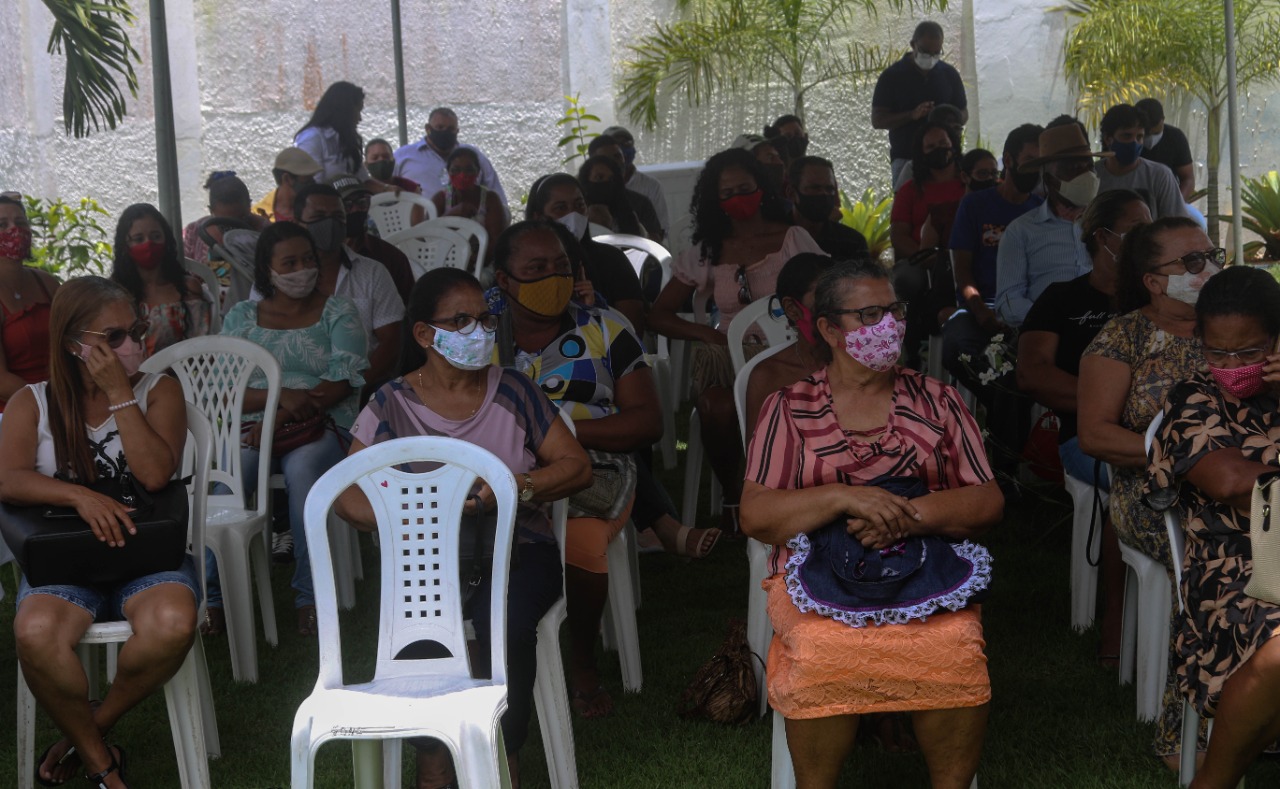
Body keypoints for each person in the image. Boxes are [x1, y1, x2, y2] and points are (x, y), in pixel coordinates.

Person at [741, 260, 1002, 789]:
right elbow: (757, 513)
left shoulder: (940, 401)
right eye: (870, 314)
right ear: (830, 330)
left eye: (894, 311)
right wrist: (843, 497)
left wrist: (906, 518)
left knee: (951, 642)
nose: (890, 325)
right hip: (816, 571)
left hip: (924, 561)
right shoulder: (790, 408)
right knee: (821, 649)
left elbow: (987, 501)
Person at [337, 266, 591, 789]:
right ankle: (433, 763)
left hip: (517, 547)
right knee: (420, 629)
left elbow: (576, 466)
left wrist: (515, 486)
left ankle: (504, 753)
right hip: (428, 555)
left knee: (509, 628)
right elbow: (346, 496)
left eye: (484, 319)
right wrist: (425, 515)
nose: (479, 332)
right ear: (425, 335)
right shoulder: (390, 404)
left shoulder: (514, 390)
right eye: (461, 321)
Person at [3, 275, 195, 788]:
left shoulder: (160, 390)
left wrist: (118, 394)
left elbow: (155, 474)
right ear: (73, 344)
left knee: (174, 624)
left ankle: (87, 732)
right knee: (35, 633)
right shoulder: (33, 402)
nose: (131, 345)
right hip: (65, 561)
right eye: (112, 338)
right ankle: (104, 767)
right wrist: (78, 494)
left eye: (133, 331)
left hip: (147, 556)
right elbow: (6, 476)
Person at [493, 220, 664, 718]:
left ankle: (581, 662)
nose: (553, 277)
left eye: (562, 267)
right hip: (504, 472)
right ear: (504, 280)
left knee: (582, 541)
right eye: (537, 268)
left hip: (598, 465)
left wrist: (562, 431)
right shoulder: (479, 336)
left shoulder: (606, 328)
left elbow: (648, 421)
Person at [1077, 216, 1217, 765]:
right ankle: (1185, 729)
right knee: (1216, 561)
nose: (1208, 269)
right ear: (1153, 281)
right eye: (1190, 262)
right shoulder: (1124, 337)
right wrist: (1185, 463)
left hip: (1237, 490)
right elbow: (1095, 434)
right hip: (1154, 497)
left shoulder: (1242, 327)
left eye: (1212, 254)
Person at [1145, 265, 1280, 789]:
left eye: (1248, 352)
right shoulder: (1193, 399)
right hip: (1235, 574)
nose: (1231, 366)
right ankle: (1214, 781)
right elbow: (1229, 481)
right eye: (1217, 352)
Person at [648, 147, 824, 530]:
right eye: (726, 193)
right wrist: (705, 335)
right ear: (715, 201)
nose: (736, 199)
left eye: (744, 188)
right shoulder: (708, 252)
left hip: (792, 357)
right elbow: (658, 314)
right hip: (730, 358)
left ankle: (797, 487)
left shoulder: (792, 238)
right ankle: (735, 495)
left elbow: (828, 291)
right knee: (715, 406)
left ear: (762, 188)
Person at [1018, 189, 1150, 665]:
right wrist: (1105, 402)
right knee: (1126, 474)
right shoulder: (1063, 299)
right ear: (1103, 237)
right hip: (1086, 438)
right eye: (1136, 228)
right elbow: (1033, 373)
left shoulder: (1162, 305)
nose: (1146, 239)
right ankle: (1115, 624)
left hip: (1157, 435)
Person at [220, 221, 367, 635]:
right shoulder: (242, 316)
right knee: (229, 476)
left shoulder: (339, 310)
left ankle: (310, 595)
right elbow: (224, 387)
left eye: (308, 259)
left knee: (303, 469)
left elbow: (341, 381)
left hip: (324, 426)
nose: (301, 269)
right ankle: (213, 596)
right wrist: (280, 398)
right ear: (267, 269)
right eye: (290, 262)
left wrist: (280, 413)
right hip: (253, 428)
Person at [940, 123, 1044, 382]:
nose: (1036, 169)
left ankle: (1004, 409)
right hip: (978, 309)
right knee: (957, 348)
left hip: (1026, 314)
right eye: (1030, 160)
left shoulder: (1042, 210)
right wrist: (980, 311)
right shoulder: (975, 205)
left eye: (1041, 162)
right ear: (1008, 160)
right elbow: (961, 270)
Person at [290, 183, 405, 394]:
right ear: (297, 223)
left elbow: (392, 341)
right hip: (293, 392)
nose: (330, 224)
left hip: (360, 388)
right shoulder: (277, 278)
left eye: (337, 217)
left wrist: (351, 387)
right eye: (319, 217)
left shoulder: (372, 273)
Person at [993, 121, 1101, 328]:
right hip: (1045, 334)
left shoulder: (1110, 224)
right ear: (1050, 179)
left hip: (1104, 334)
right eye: (1073, 169)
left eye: (1088, 167)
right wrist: (1052, 322)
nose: (1085, 176)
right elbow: (1009, 301)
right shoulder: (1021, 231)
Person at [523, 173, 645, 333]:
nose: (573, 215)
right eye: (561, 208)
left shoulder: (612, 259)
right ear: (538, 216)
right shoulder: (523, 264)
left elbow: (632, 328)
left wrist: (592, 311)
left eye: (579, 205)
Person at [890, 121, 964, 368]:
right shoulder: (910, 190)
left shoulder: (969, 184)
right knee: (904, 280)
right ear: (920, 153)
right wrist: (925, 257)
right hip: (920, 260)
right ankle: (909, 351)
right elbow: (899, 236)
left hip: (964, 259)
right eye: (930, 146)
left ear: (953, 145)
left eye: (943, 144)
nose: (938, 149)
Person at [110, 203, 216, 355]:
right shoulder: (114, 292)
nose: (148, 243)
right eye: (139, 239)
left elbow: (201, 350)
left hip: (184, 376)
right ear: (125, 246)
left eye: (156, 236)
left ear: (166, 239)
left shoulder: (188, 288)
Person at [743, 252, 833, 433]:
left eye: (843, 298)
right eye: (823, 299)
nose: (836, 309)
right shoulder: (769, 376)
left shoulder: (860, 361)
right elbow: (759, 455)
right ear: (792, 310)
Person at [872, 20, 968, 185]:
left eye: (936, 53)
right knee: (907, 207)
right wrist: (912, 115)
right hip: (906, 157)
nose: (930, 58)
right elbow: (878, 120)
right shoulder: (892, 76)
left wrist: (949, 120)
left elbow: (964, 113)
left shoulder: (949, 74)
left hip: (946, 157)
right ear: (912, 44)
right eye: (925, 52)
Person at [0, 192, 59, 411]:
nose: (13, 230)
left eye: (20, 222)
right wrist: (50, 401)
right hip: (15, 411)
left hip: (61, 398)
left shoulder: (48, 283)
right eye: (2, 224)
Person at [327, 174, 415, 304]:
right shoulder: (316, 259)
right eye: (346, 206)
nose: (356, 210)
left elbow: (409, 311)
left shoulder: (391, 258)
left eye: (362, 203)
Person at [393, 107, 508, 206]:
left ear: (457, 131)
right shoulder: (403, 156)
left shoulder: (473, 155)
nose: (445, 132)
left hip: (470, 226)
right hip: (421, 228)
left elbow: (495, 192)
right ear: (428, 129)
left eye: (451, 129)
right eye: (440, 127)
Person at [1095, 103, 1187, 221]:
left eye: (1139, 137)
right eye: (1127, 136)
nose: (1134, 143)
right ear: (1108, 139)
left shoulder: (1160, 176)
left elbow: (1176, 224)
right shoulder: (1093, 175)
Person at [293, 81, 390, 191]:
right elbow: (313, 185)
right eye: (358, 111)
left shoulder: (347, 140)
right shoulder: (312, 138)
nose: (359, 118)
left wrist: (389, 189)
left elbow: (363, 180)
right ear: (344, 111)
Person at [429, 147, 509, 261]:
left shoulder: (490, 199)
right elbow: (427, 236)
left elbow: (496, 241)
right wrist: (451, 215)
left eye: (469, 170)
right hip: (445, 260)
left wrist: (474, 262)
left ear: (478, 172)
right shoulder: (440, 198)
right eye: (456, 170)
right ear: (448, 171)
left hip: (482, 262)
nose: (462, 175)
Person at [786, 156, 869, 261]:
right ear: (791, 193)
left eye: (829, 189)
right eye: (815, 188)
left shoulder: (851, 242)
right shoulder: (776, 240)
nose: (823, 194)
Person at [582, 137, 664, 240]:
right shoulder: (578, 206)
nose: (613, 162)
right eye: (599, 177)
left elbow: (654, 241)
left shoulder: (639, 203)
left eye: (617, 156)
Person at [181, 171, 268, 266]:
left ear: (249, 205)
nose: (233, 227)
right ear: (211, 211)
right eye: (224, 222)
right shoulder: (195, 231)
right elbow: (187, 270)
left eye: (241, 219)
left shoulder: (266, 232)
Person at [600, 125, 671, 238]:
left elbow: (661, 230)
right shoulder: (592, 188)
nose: (621, 151)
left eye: (626, 143)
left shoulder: (651, 186)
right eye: (615, 145)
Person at [1135, 98, 1195, 202]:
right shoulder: (1127, 142)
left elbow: (1188, 179)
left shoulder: (1176, 137)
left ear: (1163, 119)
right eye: (1145, 135)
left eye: (1156, 133)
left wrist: (1176, 203)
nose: (1150, 138)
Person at [252, 147, 322, 223]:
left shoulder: (320, 209)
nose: (312, 183)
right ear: (287, 179)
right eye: (307, 179)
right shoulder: (259, 213)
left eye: (312, 178)